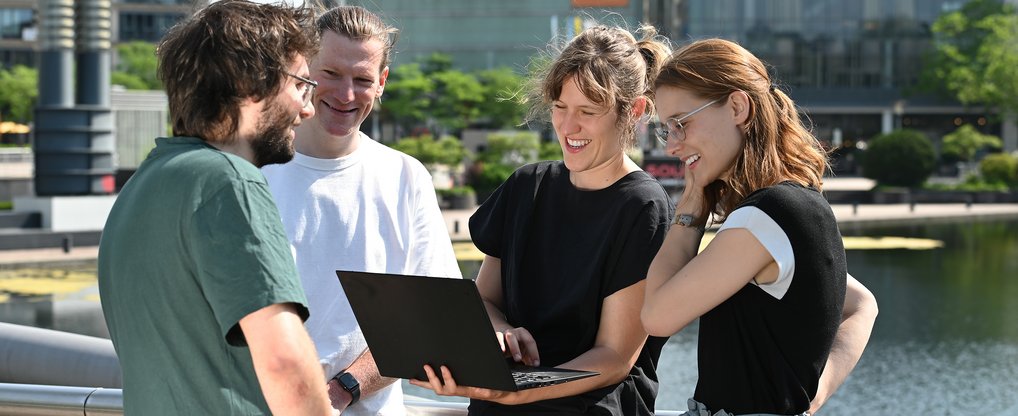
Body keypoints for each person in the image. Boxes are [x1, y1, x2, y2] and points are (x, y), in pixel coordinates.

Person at [409, 24, 674, 415]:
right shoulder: (526, 185)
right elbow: (484, 299)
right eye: (560, 107)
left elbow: (615, 356)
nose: (568, 127)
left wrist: (518, 391)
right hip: (502, 401)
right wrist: (500, 331)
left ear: (633, 111)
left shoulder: (643, 206)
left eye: (587, 111)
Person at [96, 1, 332, 414]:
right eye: (301, 85)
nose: (308, 108)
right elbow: (284, 362)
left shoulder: (143, 186)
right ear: (250, 82)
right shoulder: (229, 181)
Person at [641, 38, 878, 415]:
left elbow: (656, 317)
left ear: (737, 107)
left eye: (681, 124)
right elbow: (863, 304)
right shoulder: (800, 205)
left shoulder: (763, 218)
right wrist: (808, 400)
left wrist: (691, 208)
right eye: (666, 129)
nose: (673, 144)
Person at [261, 6, 462, 414]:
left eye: (363, 79)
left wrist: (341, 389)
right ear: (302, 68)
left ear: (382, 82)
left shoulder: (406, 177)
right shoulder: (252, 169)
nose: (346, 94)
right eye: (331, 74)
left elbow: (431, 316)